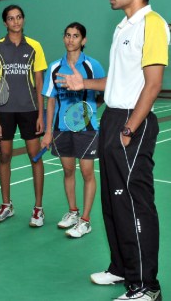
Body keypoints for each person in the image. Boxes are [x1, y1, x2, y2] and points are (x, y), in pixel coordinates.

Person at [60, 0, 169, 300]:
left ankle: (146, 286)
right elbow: (118, 82)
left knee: (134, 204)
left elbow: (152, 85)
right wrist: (85, 83)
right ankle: (122, 268)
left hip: (131, 122)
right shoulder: (123, 26)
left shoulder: (151, 24)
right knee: (112, 200)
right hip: (113, 117)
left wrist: (128, 129)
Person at [41, 22, 105, 238]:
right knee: (68, 171)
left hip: (86, 128)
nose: (70, 39)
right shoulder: (54, 67)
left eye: (75, 36)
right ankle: (73, 212)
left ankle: (85, 220)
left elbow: (106, 87)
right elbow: (50, 100)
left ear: (83, 40)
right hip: (61, 127)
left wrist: (93, 107)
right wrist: (48, 131)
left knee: (87, 173)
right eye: (67, 35)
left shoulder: (92, 65)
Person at [0, 4, 48, 227]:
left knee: (35, 157)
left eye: (19, 17)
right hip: (5, 112)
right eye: (11, 18)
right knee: (4, 156)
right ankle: (6, 205)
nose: (15, 21)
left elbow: (39, 83)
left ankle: (38, 208)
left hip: (29, 109)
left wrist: (41, 114)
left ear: (23, 19)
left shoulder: (34, 47)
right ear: (5, 23)